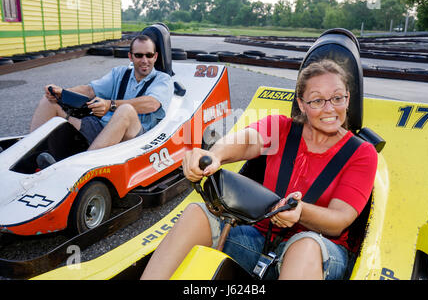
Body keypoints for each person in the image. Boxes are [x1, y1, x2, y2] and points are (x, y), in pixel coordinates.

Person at [140, 59, 378, 280]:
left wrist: (300, 211)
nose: (329, 109)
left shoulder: (361, 153)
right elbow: (248, 140)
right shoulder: (281, 128)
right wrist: (214, 155)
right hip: (260, 239)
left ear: (348, 99)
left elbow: (339, 220)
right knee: (197, 213)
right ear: (302, 104)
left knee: (304, 247)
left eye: (337, 98)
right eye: (317, 100)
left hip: (320, 249)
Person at [30, 34, 174, 151]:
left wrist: (110, 105)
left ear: (155, 57)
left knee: (126, 110)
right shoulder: (119, 73)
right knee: (50, 101)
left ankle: (85, 167)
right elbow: (90, 90)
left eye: (149, 55)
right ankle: (30, 155)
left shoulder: (163, 79)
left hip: (135, 140)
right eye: (139, 55)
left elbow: (152, 104)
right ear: (130, 57)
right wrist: (61, 92)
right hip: (102, 128)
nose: (144, 60)